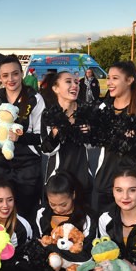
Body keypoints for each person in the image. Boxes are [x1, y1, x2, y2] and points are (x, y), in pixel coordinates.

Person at [17, 172, 95, 271]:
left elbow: (86, 256)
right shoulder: (41, 214)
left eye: (63, 204)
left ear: (73, 195)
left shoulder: (86, 218)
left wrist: (51, 247)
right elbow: (38, 245)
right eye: (53, 204)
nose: (58, 209)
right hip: (48, 269)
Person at [0, 55, 45, 218]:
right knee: (2, 212)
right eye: (5, 75)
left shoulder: (35, 98)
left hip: (27, 165)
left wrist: (21, 137)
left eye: (15, 74)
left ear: (22, 74)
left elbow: (41, 137)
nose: (10, 79)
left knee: (26, 212)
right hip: (0, 165)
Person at [93, 61, 136, 210]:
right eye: (108, 78)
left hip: (135, 183)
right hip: (106, 181)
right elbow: (95, 139)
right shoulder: (103, 108)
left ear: (129, 80)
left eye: (115, 78)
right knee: (105, 230)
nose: (109, 82)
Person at [41, 71, 93, 202]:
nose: (74, 85)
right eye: (68, 81)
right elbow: (46, 150)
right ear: (55, 88)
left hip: (83, 178)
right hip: (57, 179)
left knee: (83, 218)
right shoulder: (49, 114)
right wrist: (55, 134)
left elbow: (93, 145)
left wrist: (90, 132)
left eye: (76, 82)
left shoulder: (86, 111)